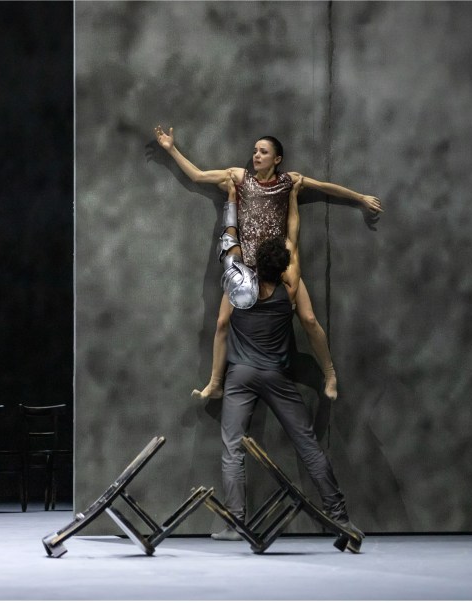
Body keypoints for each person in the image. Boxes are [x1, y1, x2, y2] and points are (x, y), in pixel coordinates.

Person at [153, 125, 382, 402]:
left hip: (279, 262)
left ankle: (330, 373)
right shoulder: (239, 177)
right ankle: (215, 383)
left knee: (309, 319)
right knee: (222, 321)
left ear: (277, 159)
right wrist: (171, 149)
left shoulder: (289, 181)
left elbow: (324, 187)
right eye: (255, 151)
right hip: (246, 264)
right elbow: (199, 175)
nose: (256, 155)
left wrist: (360, 199)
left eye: (264, 152)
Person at [213, 229, 363, 548]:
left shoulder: (237, 286)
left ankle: (235, 520)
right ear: (282, 268)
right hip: (275, 375)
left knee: (232, 447)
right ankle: (339, 517)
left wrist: (215, 381)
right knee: (307, 444)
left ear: (255, 262)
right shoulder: (291, 290)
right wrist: (329, 371)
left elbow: (222, 326)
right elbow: (310, 322)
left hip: (240, 374)